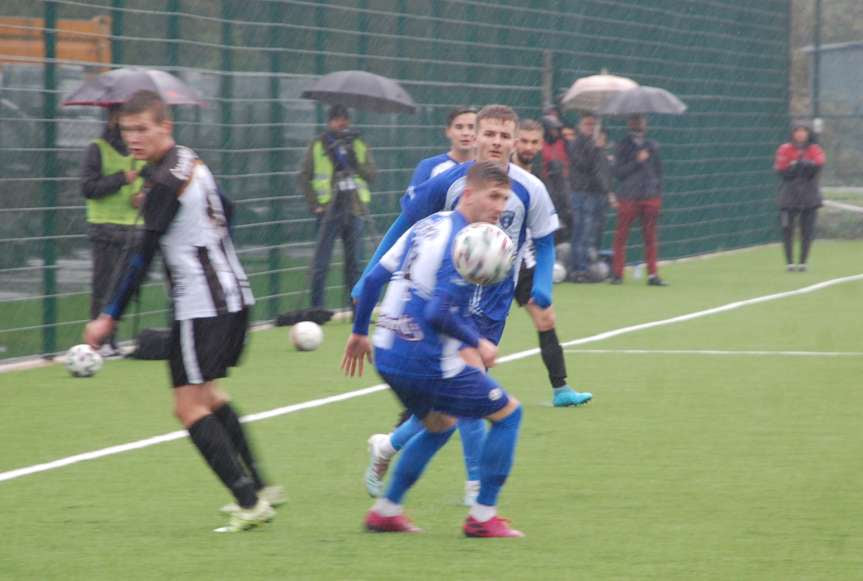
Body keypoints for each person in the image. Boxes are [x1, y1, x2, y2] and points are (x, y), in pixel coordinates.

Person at [356, 105, 591, 505]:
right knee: (472, 391)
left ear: (515, 141)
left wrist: (544, 284)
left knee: (446, 405)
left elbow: (546, 240)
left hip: (493, 308)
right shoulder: (449, 184)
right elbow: (404, 227)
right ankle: (476, 486)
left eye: (504, 136)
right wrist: (369, 276)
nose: (496, 142)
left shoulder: (530, 188)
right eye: (489, 134)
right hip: (446, 306)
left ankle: (389, 447)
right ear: (475, 137)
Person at [83, 91, 282, 534]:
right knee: (209, 397)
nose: (132, 138)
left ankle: (248, 502)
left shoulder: (163, 185)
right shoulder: (188, 161)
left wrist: (108, 316)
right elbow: (225, 208)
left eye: (141, 129)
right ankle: (262, 487)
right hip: (231, 293)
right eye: (126, 130)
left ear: (164, 126)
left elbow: (140, 257)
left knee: (188, 407)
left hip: (201, 304)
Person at [342, 161, 525, 538]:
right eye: (493, 196)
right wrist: (479, 342)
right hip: (423, 358)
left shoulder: (429, 226)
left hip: (388, 352)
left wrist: (360, 332)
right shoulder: (462, 243)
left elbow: (374, 277)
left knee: (440, 425)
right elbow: (437, 312)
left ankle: (387, 510)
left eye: (505, 199)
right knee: (508, 415)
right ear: (468, 194)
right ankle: (483, 516)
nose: (500, 207)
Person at [80, 105, 145, 357]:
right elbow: (88, 187)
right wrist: (121, 178)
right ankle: (98, 342)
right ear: (114, 119)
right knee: (103, 286)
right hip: (105, 229)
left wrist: (142, 196)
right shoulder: (97, 149)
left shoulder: (139, 151)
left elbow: (147, 184)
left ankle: (112, 340)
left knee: (123, 288)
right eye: (126, 120)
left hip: (134, 230)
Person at [299, 104, 377, 308]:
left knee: (355, 264)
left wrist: (354, 163)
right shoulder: (319, 144)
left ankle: (356, 308)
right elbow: (304, 176)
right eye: (337, 119)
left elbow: (371, 175)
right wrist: (315, 204)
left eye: (345, 119)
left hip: (354, 208)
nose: (342, 123)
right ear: (329, 122)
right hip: (328, 211)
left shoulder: (358, 143)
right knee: (320, 264)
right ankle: (317, 309)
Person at [610, 114, 668, 286]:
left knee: (650, 237)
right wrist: (637, 161)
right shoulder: (623, 145)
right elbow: (618, 172)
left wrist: (657, 192)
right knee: (621, 236)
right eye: (635, 120)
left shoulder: (653, 146)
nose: (639, 123)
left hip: (650, 197)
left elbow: (658, 171)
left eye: (641, 119)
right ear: (629, 123)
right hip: (629, 196)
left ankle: (652, 275)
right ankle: (617, 274)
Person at [774, 123, 826, 272]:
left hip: (809, 196)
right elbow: (782, 170)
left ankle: (803, 263)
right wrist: (795, 166)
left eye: (804, 131)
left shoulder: (814, 149)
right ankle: (790, 263)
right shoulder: (784, 149)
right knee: (787, 229)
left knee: (807, 230)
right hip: (788, 196)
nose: (801, 134)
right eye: (797, 131)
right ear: (793, 133)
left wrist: (804, 165)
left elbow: (817, 166)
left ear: (808, 134)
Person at [567, 113, 611, 282]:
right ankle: (579, 270)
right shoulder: (575, 144)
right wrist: (596, 148)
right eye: (587, 124)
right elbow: (585, 164)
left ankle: (588, 266)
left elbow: (602, 169)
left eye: (593, 124)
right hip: (581, 193)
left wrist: (606, 190)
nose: (590, 127)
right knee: (580, 232)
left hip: (595, 192)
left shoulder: (596, 144)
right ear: (580, 125)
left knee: (591, 233)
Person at [407, 106, 476, 188]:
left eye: (471, 127)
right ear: (448, 132)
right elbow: (413, 200)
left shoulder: (488, 167)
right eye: (459, 127)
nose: (465, 133)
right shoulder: (429, 166)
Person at [539, 114, 572, 241]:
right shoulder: (540, 144)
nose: (556, 132)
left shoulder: (563, 143)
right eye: (553, 130)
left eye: (557, 130)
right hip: (547, 184)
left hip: (563, 185)